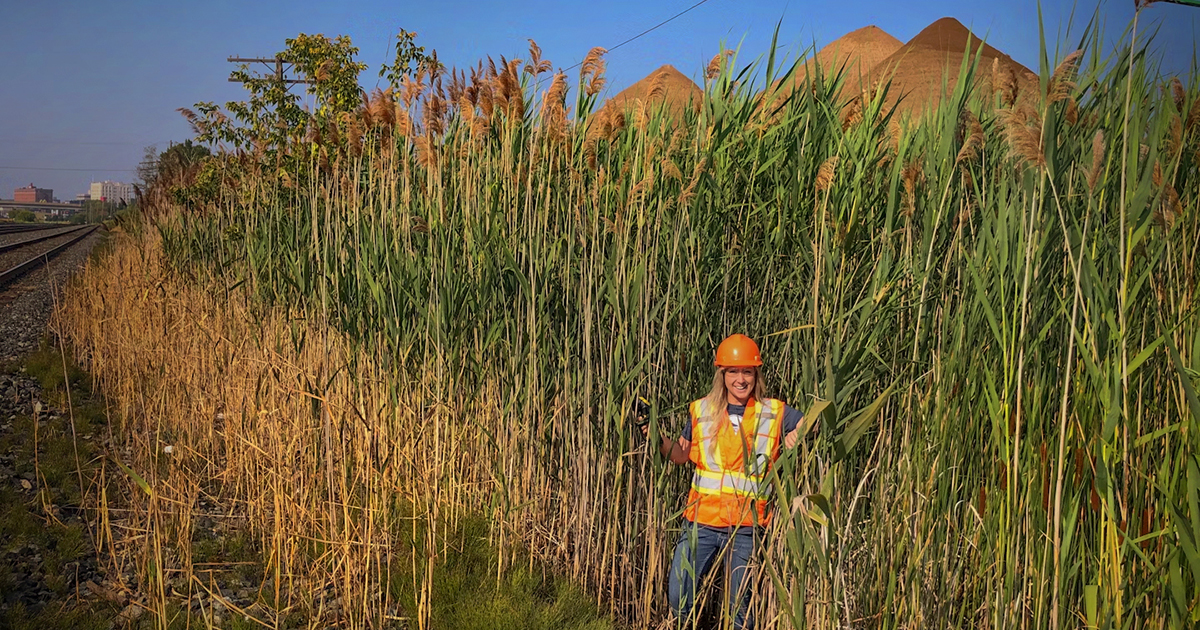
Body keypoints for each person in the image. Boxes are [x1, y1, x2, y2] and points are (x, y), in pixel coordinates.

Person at [642, 334, 812, 629]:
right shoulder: (702, 410)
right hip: (701, 522)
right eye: (733, 371)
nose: (741, 379)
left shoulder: (773, 412)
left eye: (747, 371)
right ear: (722, 374)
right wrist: (653, 435)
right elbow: (681, 454)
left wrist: (800, 433)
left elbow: (812, 420)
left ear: (756, 374)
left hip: (746, 528)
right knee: (679, 596)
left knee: (740, 611)